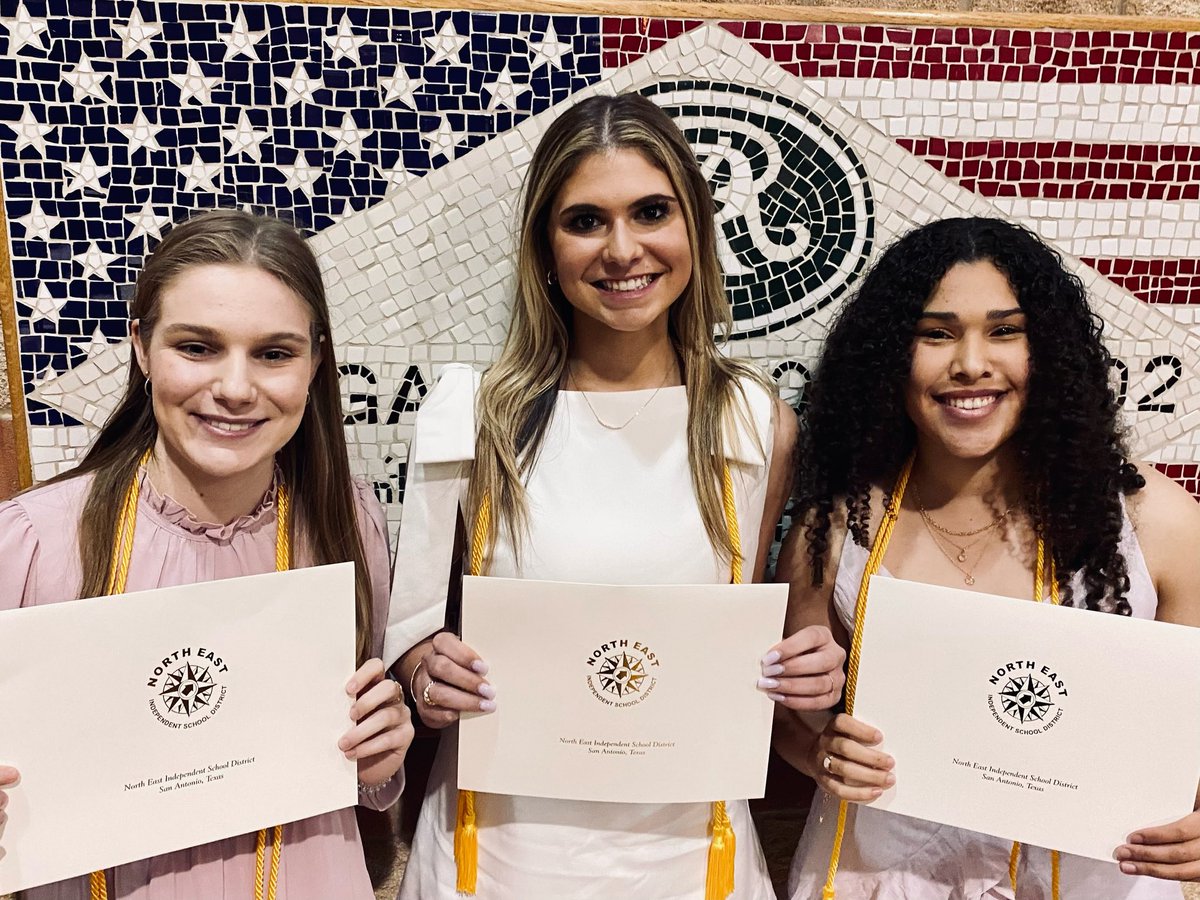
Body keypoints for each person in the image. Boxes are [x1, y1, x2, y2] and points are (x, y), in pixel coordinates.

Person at [383, 92, 847, 898]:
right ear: (545, 245)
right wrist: (429, 675)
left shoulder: (753, 420)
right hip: (500, 847)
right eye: (586, 220)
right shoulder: (472, 414)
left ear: (696, 228)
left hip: (687, 846)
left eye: (652, 211)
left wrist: (804, 674)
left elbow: (745, 637)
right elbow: (416, 642)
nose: (623, 249)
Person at [775, 216, 1200, 899]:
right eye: (935, 333)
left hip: (1094, 879)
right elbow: (790, 717)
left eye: (1005, 330)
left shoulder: (1157, 524)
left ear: (1049, 350)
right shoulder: (833, 527)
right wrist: (822, 752)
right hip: (884, 875)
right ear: (891, 353)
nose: (971, 362)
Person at [0, 209, 414, 898]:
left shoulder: (349, 521)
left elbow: (356, 760)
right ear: (141, 347)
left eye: (274, 353)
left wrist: (377, 753)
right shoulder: (34, 543)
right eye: (197, 347)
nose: (234, 388)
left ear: (315, 361)